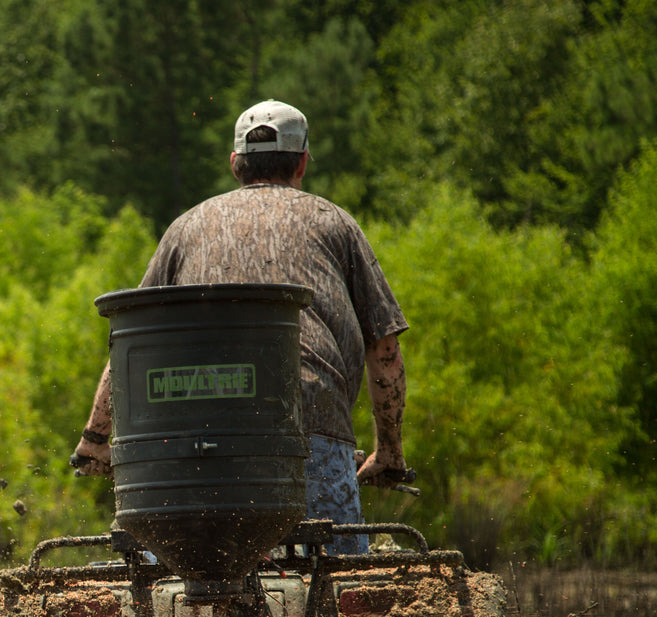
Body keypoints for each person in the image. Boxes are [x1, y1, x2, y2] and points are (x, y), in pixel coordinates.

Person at [70, 99, 409, 555]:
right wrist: (388, 452)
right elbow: (383, 349)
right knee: (341, 586)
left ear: (235, 164)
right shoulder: (336, 224)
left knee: (169, 572)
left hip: (189, 439)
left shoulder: (184, 228)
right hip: (308, 428)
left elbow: (132, 342)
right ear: (303, 162)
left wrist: (95, 440)